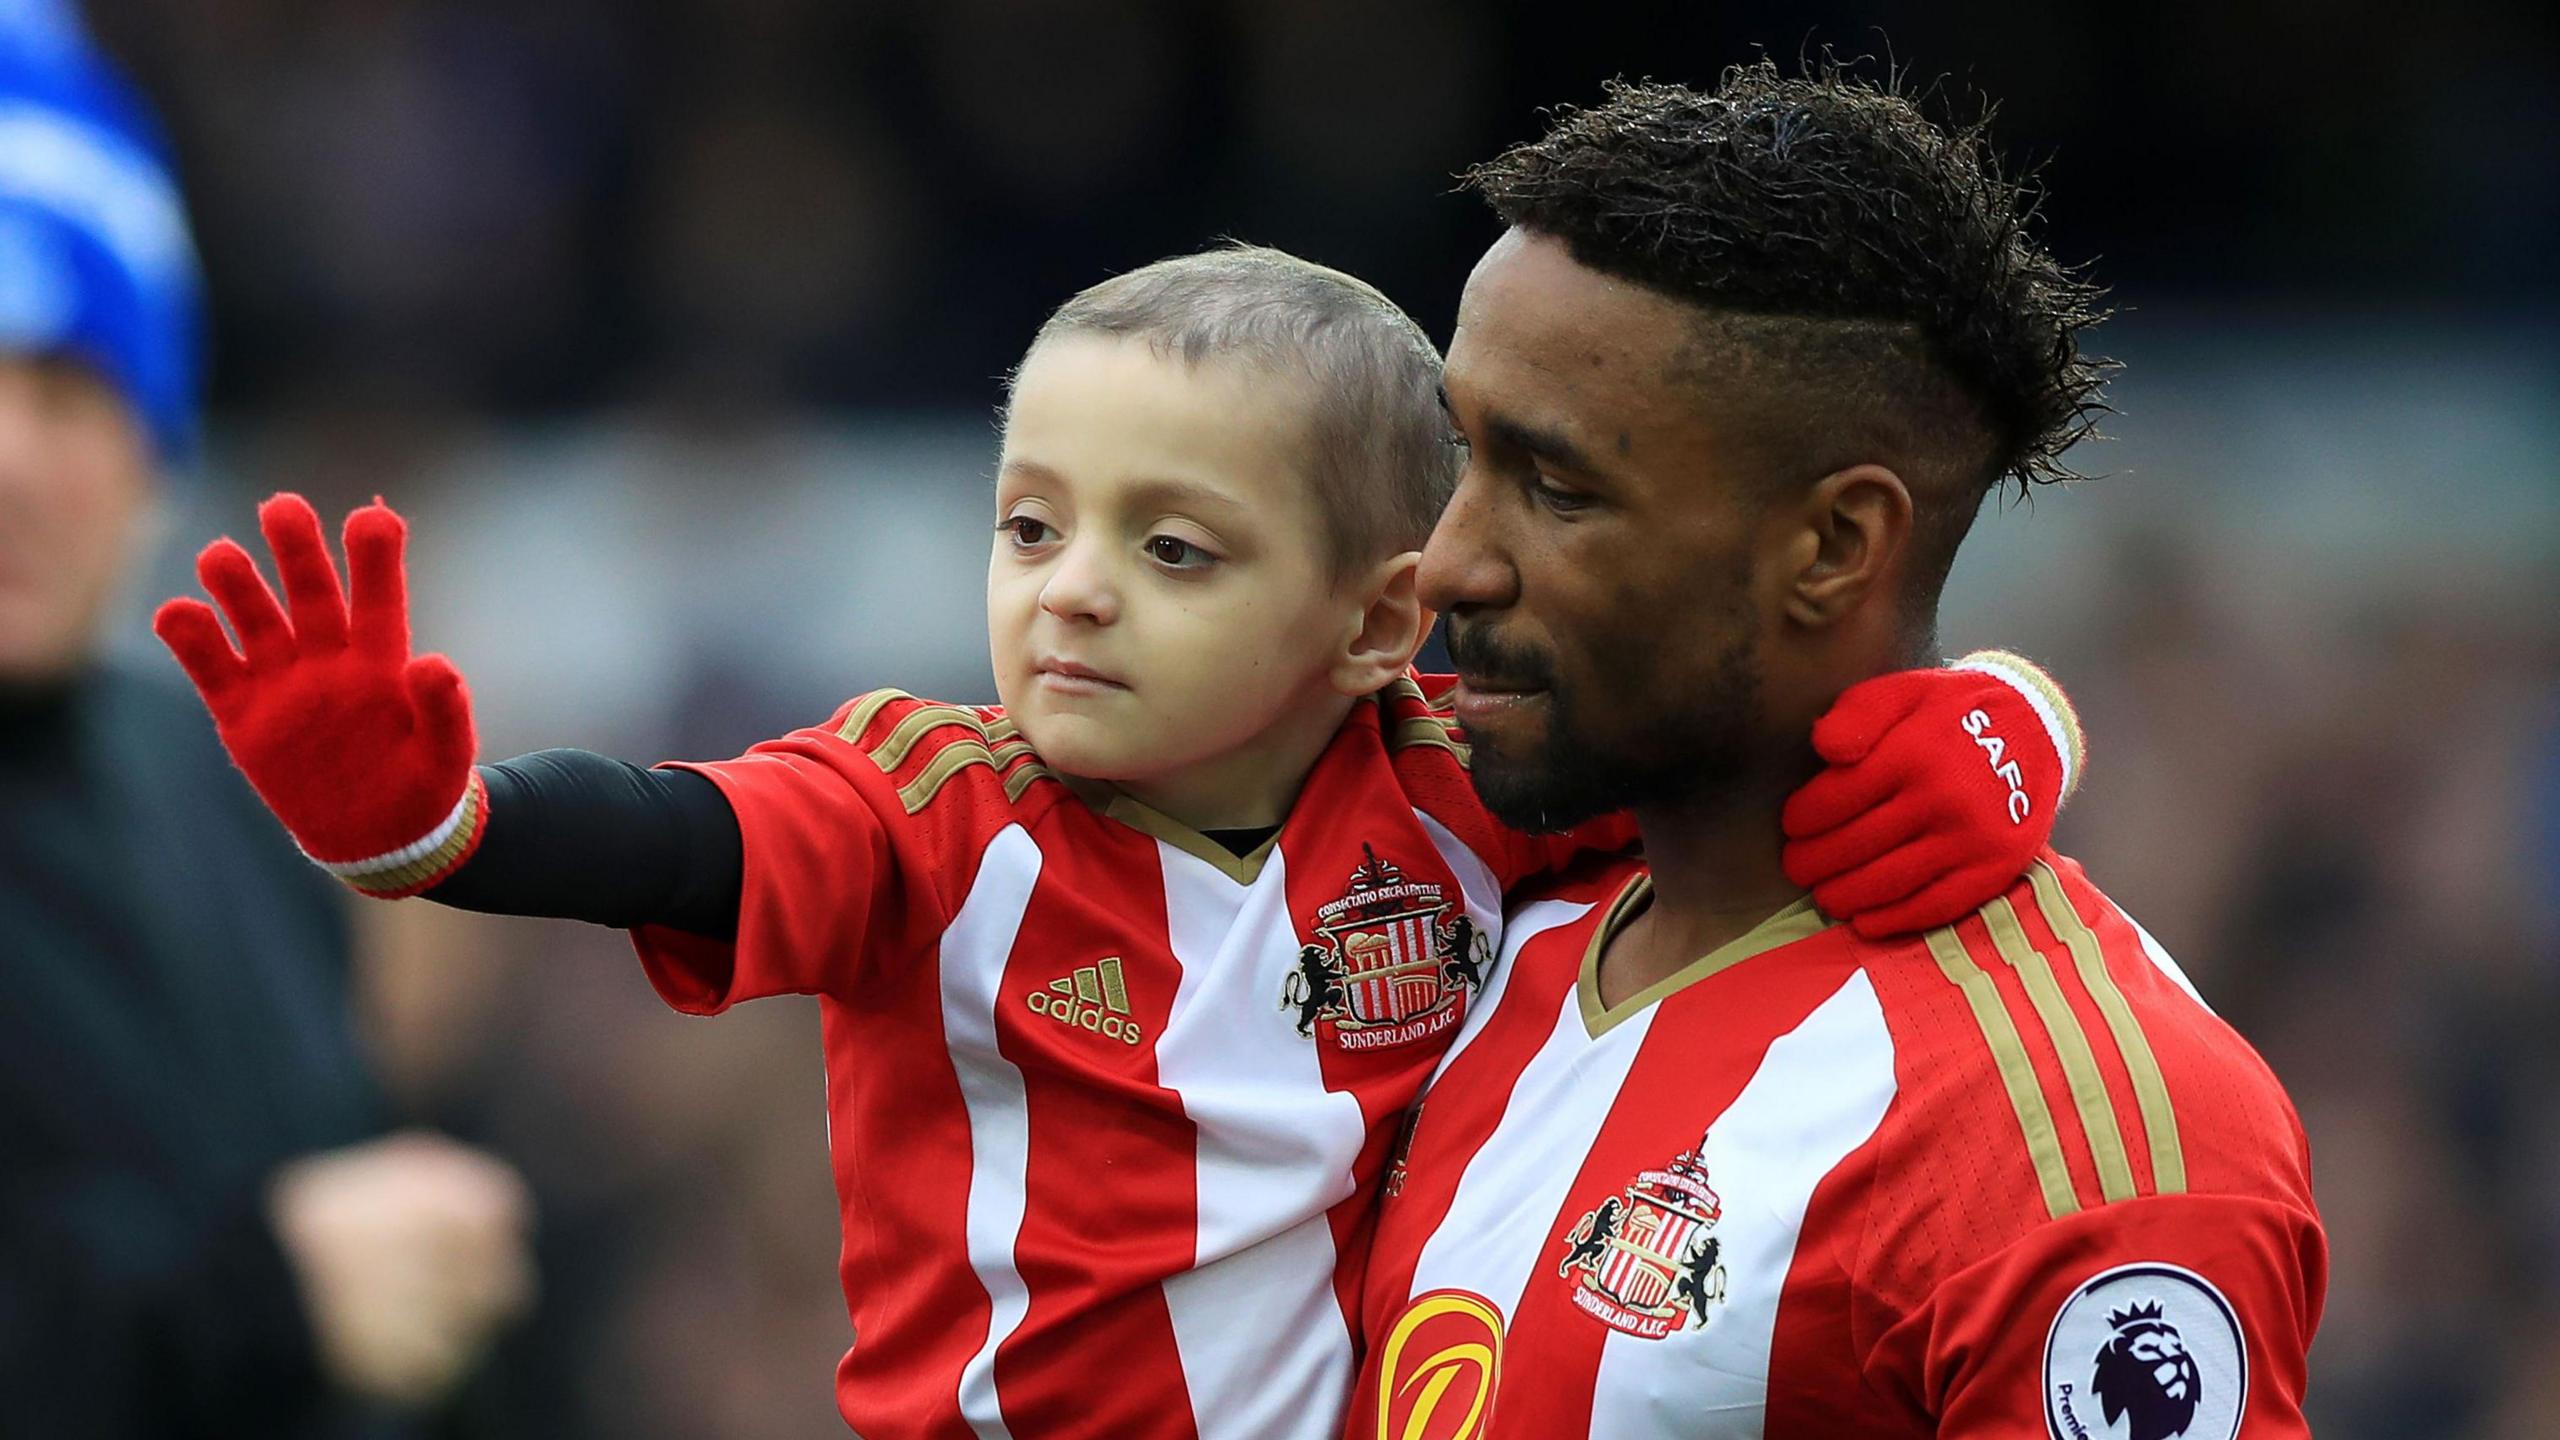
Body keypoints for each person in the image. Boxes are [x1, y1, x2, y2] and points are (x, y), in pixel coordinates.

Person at [156, 243, 2084, 1437]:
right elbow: (680, 842)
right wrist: (450, 821)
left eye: (1174, 550)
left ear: (1375, 619)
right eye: (1028, 526)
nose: (1070, 595)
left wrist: (2015, 718)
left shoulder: (1455, 783)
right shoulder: (935, 806)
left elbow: (1741, 729)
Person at [1350, 63, 2325, 1438]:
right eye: (1466, 458)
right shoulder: (1447, 910)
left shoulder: (2074, 1134)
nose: (1446, 562)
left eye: (1558, 491)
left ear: (1833, 547)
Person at [0, 8, 532, 1434]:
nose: (9, 459)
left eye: (66, 388)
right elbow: (292, 1285)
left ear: (151, 446)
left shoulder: (214, 784)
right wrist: (267, 1302)